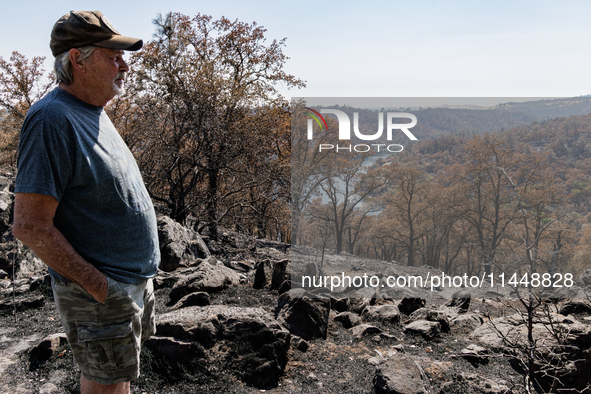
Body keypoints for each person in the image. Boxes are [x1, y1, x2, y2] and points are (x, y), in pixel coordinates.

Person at [12, 10, 160, 394]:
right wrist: (100, 286)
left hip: (128, 282)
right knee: (104, 386)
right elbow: (29, 226)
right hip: (102, 290)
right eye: (113, 57)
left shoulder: (91, 109)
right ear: (78, 59)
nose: (123, 65)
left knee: (116, 381)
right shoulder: (51, 119)